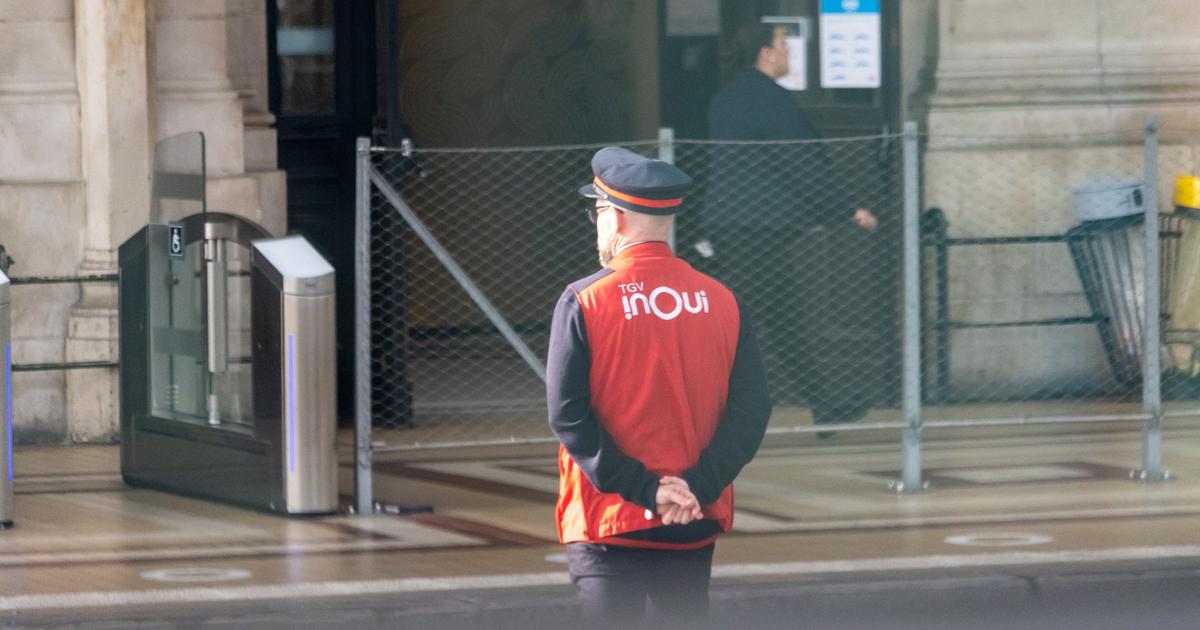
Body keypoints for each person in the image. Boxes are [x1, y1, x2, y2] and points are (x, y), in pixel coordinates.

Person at [546, 147, 772, 627]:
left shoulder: (584, 300)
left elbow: (568, 415)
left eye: (599, 214)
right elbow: (752, 411)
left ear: (618, 218)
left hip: (608, 519)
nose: (598, 225)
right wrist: (694, 487)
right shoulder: (723, 300)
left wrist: (646, 490)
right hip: (691, 518)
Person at [703, 21, 879, 429]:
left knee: (778, 320)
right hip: (760, 230)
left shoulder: (724, 100)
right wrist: (846, 210)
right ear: (766, 53)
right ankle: (702, 409)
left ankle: (824, 404)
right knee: (754, 324)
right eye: (784, 44)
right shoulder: (771, 100)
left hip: (734, 226)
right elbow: (802, 164)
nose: (788, 53)